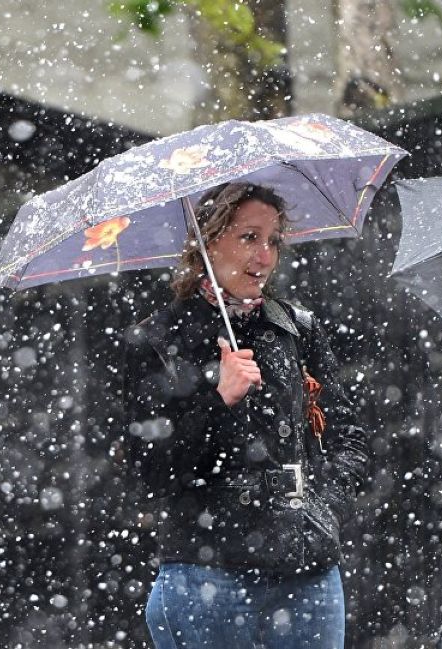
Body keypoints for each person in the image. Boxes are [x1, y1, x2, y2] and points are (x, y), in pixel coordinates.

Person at [123, 182, 369, 648]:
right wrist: (218, 400)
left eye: (274, 240)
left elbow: (347, 436)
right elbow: (149, 470)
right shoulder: (157, 339)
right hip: (206, 574)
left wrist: (323, 507)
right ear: (208, 241)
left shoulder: (297, 328)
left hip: (307, 572)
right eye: (249, 238)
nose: (266, 256)